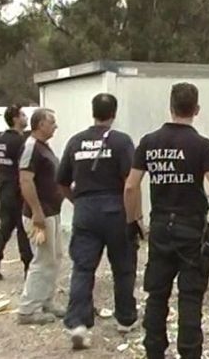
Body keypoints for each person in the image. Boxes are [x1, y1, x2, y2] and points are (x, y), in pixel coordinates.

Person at [124, 82, 209, 359]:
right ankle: (189, 354)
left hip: (161, 227)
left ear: (171, 107)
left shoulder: (149, 142)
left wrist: (132, 222)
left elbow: (130, 186)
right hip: (191, 231)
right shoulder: (202, 146)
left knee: (156, 296)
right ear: (196, 110)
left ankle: (154, 352)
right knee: (190, 298)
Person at [58, 93, 141, 350]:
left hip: (85, 209)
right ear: (114, 113)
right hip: (115, 208)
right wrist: (134, 218)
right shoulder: (121, 142)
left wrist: (79, 202)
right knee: (123, 267)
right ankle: (125, 319)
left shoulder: (75, 141)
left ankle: (78, 324)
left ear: (92, 111)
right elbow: (131, 183)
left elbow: (61, 181)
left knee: (83, 268)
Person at [17, 108, 65, 325]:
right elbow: (26, 181)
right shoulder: (30, 147)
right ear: (40, 125)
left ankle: (46, 300)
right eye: (52, 122)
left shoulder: (44, 148)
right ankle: (28, 308)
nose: (55, 126)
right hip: (40, 214)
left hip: (52, 211)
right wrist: (36, 211)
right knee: (42, 259)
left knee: (54, 258)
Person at [0, 105, 33, 281]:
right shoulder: (20, 142)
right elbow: (25, 168)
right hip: (18, 190)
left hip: (5, 188)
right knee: (23, 230)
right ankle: (29, 268)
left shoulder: (2, 139)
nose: (25, 118)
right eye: (22, 115)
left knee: (5, 228)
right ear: (15, 119)